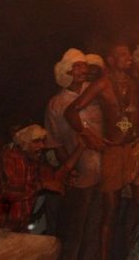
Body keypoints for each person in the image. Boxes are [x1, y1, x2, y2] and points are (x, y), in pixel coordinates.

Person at [65, 41, 139, 260]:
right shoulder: (102, 85)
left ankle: (138, 254)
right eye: (123, 54)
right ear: (111, 60)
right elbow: (71, 111)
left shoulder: (134, 82)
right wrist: (88, 135)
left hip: (136, 147)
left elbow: (137, 115)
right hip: (114, 151)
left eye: (129, 53)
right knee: (111, 210)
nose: (128, 57)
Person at [0, 124, 81, 260]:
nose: (42, 146)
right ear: (24, 142)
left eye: (43, 141)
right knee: (51, 245)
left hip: (10, 235)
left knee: (49, 245)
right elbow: (11, 193)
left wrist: (81, 148)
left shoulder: (32, 162)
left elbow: (57, 176)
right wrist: (43, 184)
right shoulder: (12, 158)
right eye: (37, 141)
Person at [44, 48, 103, 260]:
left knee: (97, 227)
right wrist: (68, 170)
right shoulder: (56, 103)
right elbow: (54, 142)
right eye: (77, 66)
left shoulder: (98, 92)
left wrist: (125, 132)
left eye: (84, 65)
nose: (82, 70)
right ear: (67, 71)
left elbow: (119, 119)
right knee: (74, 229)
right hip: (79, 175)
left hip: (106, 170)